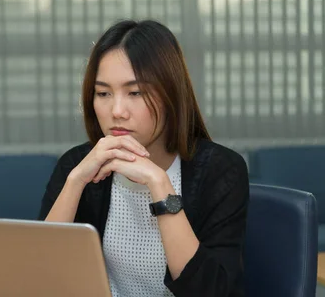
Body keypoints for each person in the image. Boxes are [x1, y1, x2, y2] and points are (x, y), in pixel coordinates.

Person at [39, 19, 249, 297]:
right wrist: (75, 181)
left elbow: (211, 292)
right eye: (103, 93)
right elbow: (40, 276)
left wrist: (159, 184)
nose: (117, 111)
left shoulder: (221, 171)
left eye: (135, 92)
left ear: (171, 94)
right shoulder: (76, 164)